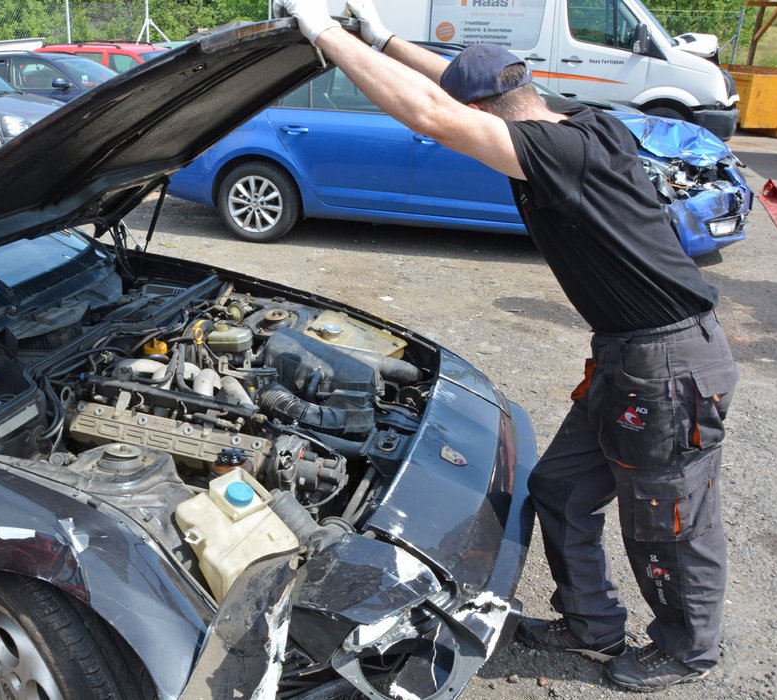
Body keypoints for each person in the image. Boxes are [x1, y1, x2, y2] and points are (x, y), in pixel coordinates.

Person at [271, 0, 739, 693]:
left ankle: (687, 648)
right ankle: (591, 621)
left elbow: (435, 113)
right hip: (629, 358)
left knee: (668, 520)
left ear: (490, 114)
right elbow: (461, 87)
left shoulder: (556, 151)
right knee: (559, 489)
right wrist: (386, 38)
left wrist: (326, 33)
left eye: (475, 122)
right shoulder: (577, 121)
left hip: (668, 366)